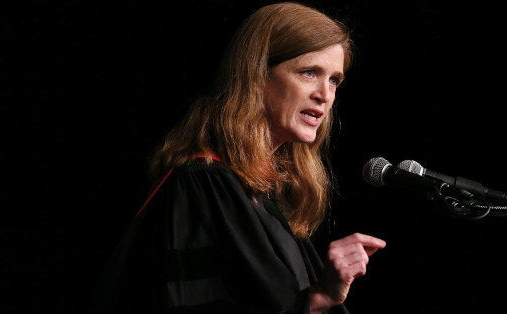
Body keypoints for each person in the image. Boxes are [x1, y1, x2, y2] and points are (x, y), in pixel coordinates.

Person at [90, 2, 386, 313]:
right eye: (309, 72)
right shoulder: (204, 180)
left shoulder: (265, 191)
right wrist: (317, 299)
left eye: (334, 80)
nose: (324, 95)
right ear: (256, 75)